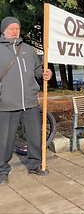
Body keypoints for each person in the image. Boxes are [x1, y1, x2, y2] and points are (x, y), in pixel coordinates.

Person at [0, 17, 52, 185]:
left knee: (35, 135)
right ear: (3, 30)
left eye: (17, 28)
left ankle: (35, 165)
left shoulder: (28, 50)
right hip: (7, 103)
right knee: (4, 140)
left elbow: (38, 71)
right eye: (11, 28)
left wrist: (46, 74)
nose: (15, 31)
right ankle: (2, 171)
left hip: (30, 102)